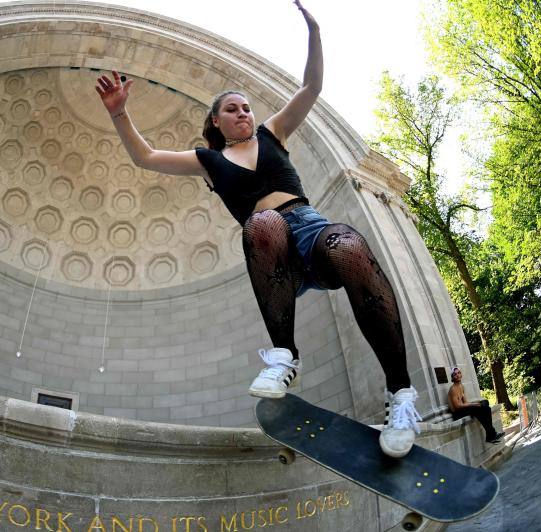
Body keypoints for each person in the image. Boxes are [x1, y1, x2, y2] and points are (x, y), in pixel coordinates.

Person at [95, 0, 421, 458]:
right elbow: (145, 156)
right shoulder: (206, 161)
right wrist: (118, 113)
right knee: (265, 221)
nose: (244, 113)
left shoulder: (273, 134)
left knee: (349, 245)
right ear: (216, 121)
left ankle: (401, 395)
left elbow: (311, 86)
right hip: (272, 250)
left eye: (247, 107)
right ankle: (284, 354)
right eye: (233, 109)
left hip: (310, 230)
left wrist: (315, 32)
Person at [448, 367, 504, 443]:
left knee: (485, 403)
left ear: (461, 374)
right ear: (452, 377)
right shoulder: (453, 389)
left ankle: (490, 435)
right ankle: (491, 434)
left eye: (459, 373)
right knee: (484, 409)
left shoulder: (461, 386)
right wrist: (474, 405)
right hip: (457, 413)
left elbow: (465, 402)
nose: (457, 375)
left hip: (463, 409)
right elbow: (457, 406)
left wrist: (476, 403)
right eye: (455, 374)